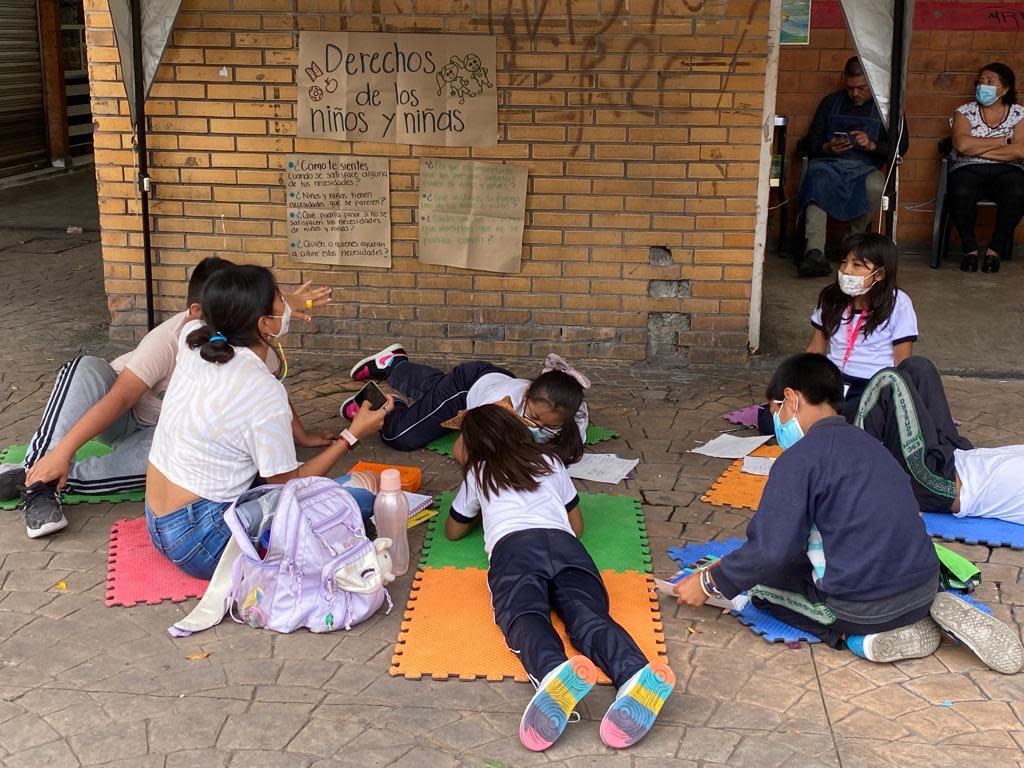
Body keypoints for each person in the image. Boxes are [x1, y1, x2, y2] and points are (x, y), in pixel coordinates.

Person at [676, 354, 1022, 675]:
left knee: (762, 590)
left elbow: (769, 551)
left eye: (775, 409)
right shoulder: (871, 444)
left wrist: (711, 582)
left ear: (792, 399)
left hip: (863, 609)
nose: (776, 421)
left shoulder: (798, 461)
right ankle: (923, 613)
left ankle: (857, 640)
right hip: (923, 583)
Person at [0, 258, 333, 539]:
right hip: (116, 411)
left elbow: (270, 388)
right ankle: (42, 468)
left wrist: (300, 434)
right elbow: (119, 399)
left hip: (163, 437)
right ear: (199, 312)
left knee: (174, 472)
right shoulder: (180, 337)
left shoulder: (251, 351)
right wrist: (63, 451)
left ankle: (35, 480)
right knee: (84, 367)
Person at [444, 403, 675, 751]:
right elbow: (576, 527)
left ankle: (553, 671)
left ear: (472, 444)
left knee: (524, 615)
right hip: (567, 548)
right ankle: (634, 673)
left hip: (514, 551)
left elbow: (453, 531)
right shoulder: (550, 461)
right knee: (588, 616)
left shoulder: (479, 471)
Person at [144, 265, 391, 580]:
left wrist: (284, 300)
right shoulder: (263, 390)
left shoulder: (193, 339)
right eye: (279, 298)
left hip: (157, 521)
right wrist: (351, 435)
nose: (286, 304)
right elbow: (288, 485)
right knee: (365, 490)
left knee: (271, 467)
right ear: (264, 324)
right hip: (204, 545)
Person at [753, 233, 916, 434]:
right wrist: (789, 391)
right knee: (771, 421)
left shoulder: (898, 303)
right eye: (843, 262)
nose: (846, 270)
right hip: (833, 383)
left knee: (850, 423)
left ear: (880, 274)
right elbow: (815, 349)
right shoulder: (832, 298)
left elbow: (903, 363)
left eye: (857, 265)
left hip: (874, 388)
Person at [344, 344, 590, 465]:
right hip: (468, 386)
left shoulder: (571, 418)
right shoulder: (499, 406)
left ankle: (397, 365)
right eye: (534, 417)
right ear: (526, 396)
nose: (537, 427)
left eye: (549, 427)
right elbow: (463, 451)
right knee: (402, 435)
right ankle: (383, 408)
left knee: (435, 393)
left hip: (488, 379)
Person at [855, 356, 1024, 527]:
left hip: (939, 483)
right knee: (919, 368)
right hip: (957, 453)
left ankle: (852, 481)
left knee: (889, 381)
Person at [797, 56, 908, 277]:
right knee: (815, 179)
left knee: (876, 186)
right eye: (850, 88)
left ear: (872, 82)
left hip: (864, 168)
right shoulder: (830, 103)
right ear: (843, 80)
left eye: (861, 88)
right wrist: (828, 147)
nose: (855, 94)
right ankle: (814, 252)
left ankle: (851, 246)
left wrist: (873, 145)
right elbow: (808, 143)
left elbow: (900, 147)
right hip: (828, 165)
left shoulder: (886, 108)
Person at [948, 62, 1024, 273]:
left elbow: (1020, 151)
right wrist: (1003, 141)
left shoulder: (1019, 113)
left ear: (1005, 88)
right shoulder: (964, 111)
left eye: (990, 82)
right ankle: (969, 250)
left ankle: (994, 252)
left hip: (1009, 170)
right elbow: (961, 145)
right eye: (980, 82)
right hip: (968, 168)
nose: (983, 86)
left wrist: (977, 148)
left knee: (1019, 191)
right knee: (960, 191)